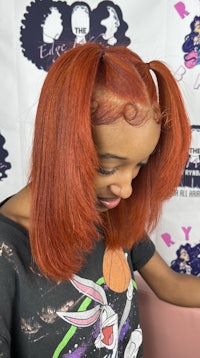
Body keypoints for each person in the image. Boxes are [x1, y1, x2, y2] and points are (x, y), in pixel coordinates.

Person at [0, 42, 198, 358]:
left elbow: (170, 285)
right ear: (61, 143)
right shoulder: (7, 252)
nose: (127, 189)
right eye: (108, 167)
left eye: (138, 167)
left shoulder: (111, 213)